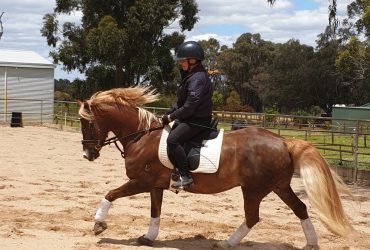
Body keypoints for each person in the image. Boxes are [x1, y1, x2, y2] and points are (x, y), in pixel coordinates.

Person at [161, 41, 213, 189]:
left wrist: (172, 117)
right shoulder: (191, 76)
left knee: (172, 140)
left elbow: (190, 106)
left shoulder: (197, 78)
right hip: (190, 117)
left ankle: (186, 176)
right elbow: (181, 102)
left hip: (197, 120)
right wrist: (169, 112)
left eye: (182, 61)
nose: (180, 64)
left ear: (193, 60)